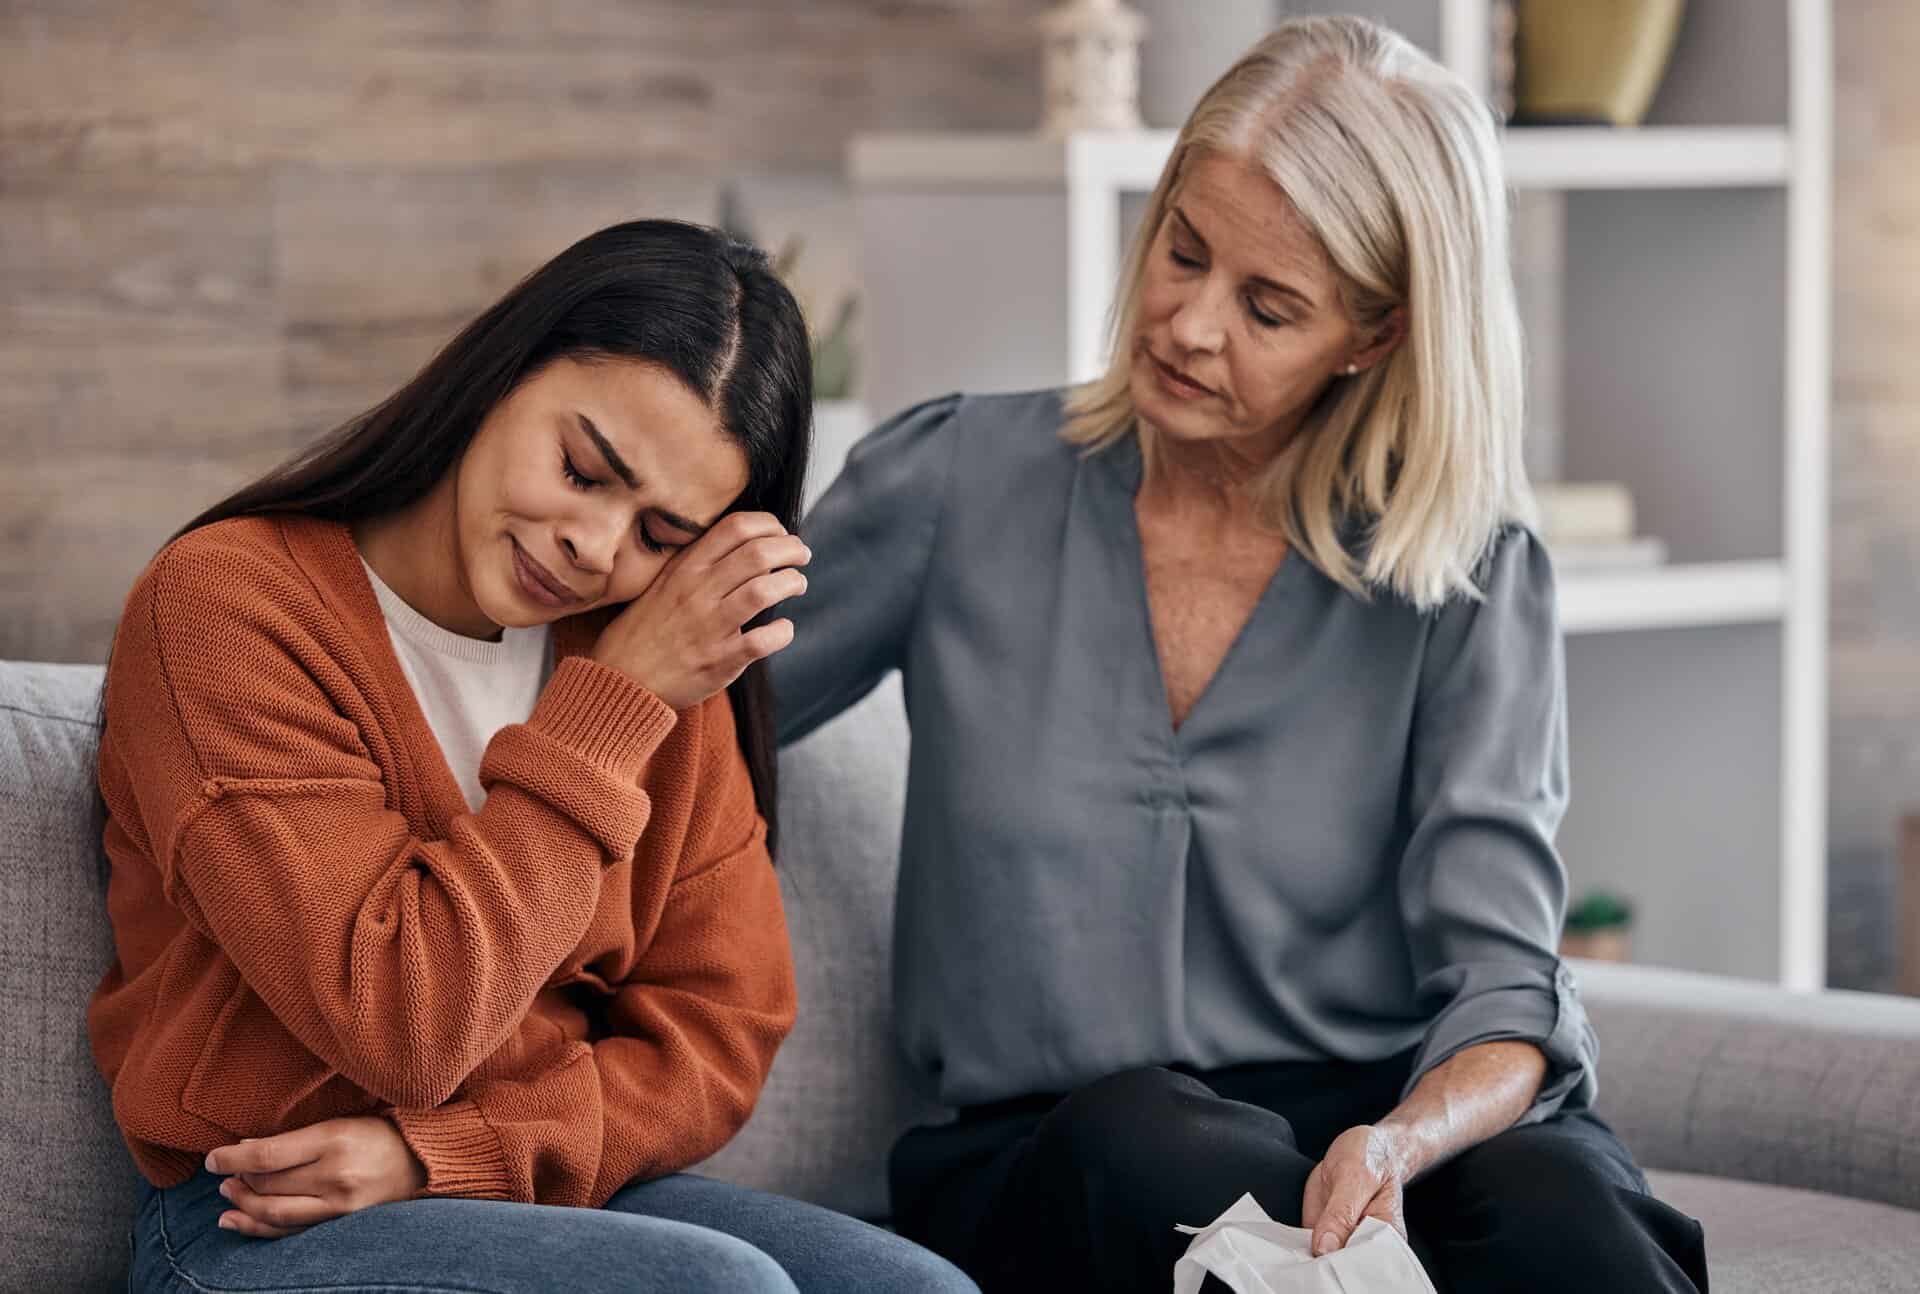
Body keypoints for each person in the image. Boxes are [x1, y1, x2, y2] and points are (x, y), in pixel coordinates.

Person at [772, 18, 1710, 1294]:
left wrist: (1400, 1137)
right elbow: (705, 708)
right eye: (1184, 250)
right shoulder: (954, 483)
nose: (1190, 324)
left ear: (1372, 336)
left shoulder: (1466, 571)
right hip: (1058, 1149)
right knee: (1158, 1159)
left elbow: (1503, 980)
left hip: (1377, 1129)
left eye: (1268, 307)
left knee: (1569, 1218)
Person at [90, 219, 975, 1294]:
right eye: (584, 470)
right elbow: (403, 1021)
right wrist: (616, 706)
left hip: (534, 1186)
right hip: (252, 1225)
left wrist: (446, 1156)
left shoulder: (647, 654)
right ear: (498, 374)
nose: (597, 549)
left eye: (663, 536)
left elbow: (718, 1027)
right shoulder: (228, 608)